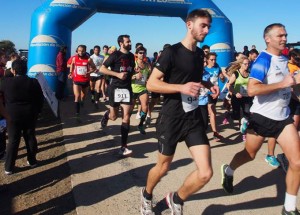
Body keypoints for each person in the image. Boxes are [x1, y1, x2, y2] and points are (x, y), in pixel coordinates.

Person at [140, 9, 218, 215]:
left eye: (209, 26)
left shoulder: (200, 53)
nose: (207, 30)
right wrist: (180, 88)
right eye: (203, 25)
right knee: (163, 167)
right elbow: (152, 83)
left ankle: (176, 198)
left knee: (205, 173)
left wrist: (208, 83)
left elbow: (192, 78)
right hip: (171, 117)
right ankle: (146, 194)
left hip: (192, 117)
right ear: (189, 24)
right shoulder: (171, 52)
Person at [221, 23, 300, 215]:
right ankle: (229, 171)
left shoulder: (283, 58)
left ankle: (289, 207)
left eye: (285, 35)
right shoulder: (262, 61)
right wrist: (284, 83)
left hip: (283, 118)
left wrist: (293, 83)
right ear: (268, 39)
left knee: (297, 162)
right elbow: (252, 89)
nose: (284, 38)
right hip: (261, 117)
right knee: (249, 154)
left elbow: (286, 84)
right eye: (280, 35)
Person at [1, 59, 44, 174]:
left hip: (12, 115)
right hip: (30, 113)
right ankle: (32, 161)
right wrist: (38, 111)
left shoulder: (6, 82)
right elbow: (40, 98)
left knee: (13, 140)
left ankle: (9, 167)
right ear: (26, 70)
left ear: (13, 71)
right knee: (30, 136)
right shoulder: (34, 82)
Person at [100, 35, 135, 156]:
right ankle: (108, 114)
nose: (130, 43)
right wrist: (117, 74)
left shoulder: (131, 56)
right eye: (128, 41)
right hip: (115, 88)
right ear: (121, 43)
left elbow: (130, 71)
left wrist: (135, 75)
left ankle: (124, 146)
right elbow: (102, 69)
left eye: (130, 41)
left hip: (127, 89)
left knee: (126, 117)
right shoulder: (115, 55)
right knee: (114, 117)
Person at [68, 45, 96, 120]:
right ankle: (77, 113)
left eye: (82, 51)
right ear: (77, 50)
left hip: (85, 80)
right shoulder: (74, 58)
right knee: (77, 96)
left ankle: (82, 101)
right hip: (76, 80)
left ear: (85, 50)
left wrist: (89, 72)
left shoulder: (89, 59)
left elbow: (94, 68)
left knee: (84, 96)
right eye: (79, 50)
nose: (80, 52)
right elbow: (72, 65)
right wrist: (70, 72)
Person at [131, 46, 151, 134]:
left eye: (144, 53)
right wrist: (134, 76)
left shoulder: (147, 65)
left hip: (143, 88)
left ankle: (140, 125)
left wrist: (148, 80)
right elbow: (126, 76)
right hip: (132, 89)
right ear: (136, 54)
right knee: (129, 110)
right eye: (140, 53)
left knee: (145, 107)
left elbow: (150, 77)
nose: (142, 54)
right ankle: (126, 124)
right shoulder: (132, 64)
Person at [205, 52, 223, 140]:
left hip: (216, 92)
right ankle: (215, 132)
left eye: (215, 59)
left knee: (212, 111)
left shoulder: (217, 67)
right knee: (212, 111)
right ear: (207, 60)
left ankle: (212, 130)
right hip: (206, 93)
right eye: (211, 60)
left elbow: (221, 77)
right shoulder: (204, 69)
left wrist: (222, 77)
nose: (214, 61)